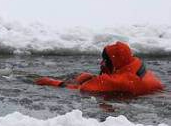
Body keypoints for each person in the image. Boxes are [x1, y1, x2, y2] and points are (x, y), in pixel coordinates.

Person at [35, 41, 164, 96]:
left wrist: (53, 83)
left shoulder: (120, 81)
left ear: (115, 62)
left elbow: (84, 89)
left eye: (105, 60)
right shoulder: (137, 68)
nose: (102, 63)